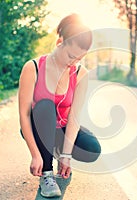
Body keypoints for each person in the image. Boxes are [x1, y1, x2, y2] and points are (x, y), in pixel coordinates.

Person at [18, 13, 101, 198]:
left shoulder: (81, 74)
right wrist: (35, 155)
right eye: (71, 55)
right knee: (45, 106)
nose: (73, 62)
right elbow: (24, 115)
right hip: (37, 127)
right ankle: (47, 173)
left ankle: (55, 151)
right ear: (59, 42)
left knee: (93, 149)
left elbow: (74, 117)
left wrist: (66, 155)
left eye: (79, 58)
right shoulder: (33, 68)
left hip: (62, 129)